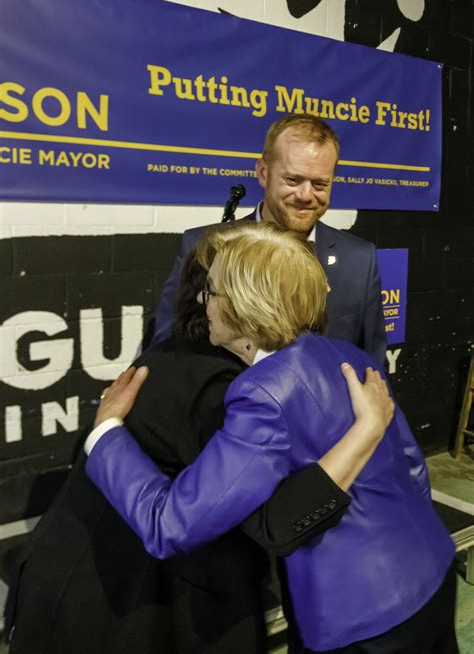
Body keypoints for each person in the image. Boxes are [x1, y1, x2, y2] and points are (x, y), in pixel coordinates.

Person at [87, 223, 457, 654]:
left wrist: (105, 432)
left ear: (246, 306)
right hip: (433, 567)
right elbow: (413, 468)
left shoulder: (263, 392)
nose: (203, 302)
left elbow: (170, 524)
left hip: (362, 618)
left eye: (213, 292)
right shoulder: (349, 355)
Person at [5, 248, 392, 654]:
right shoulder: (230, 387)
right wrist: (365, 433)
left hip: (106, 586)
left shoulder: (195, 357)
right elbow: (264, 522)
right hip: (122, 605)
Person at [153, 113, 386, 366]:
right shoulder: (202, 247)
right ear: (263, 173)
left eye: (320, 184)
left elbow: (372, 365)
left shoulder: (360, 260)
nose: (306, 195)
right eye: (293, 180)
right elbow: (167, 352)